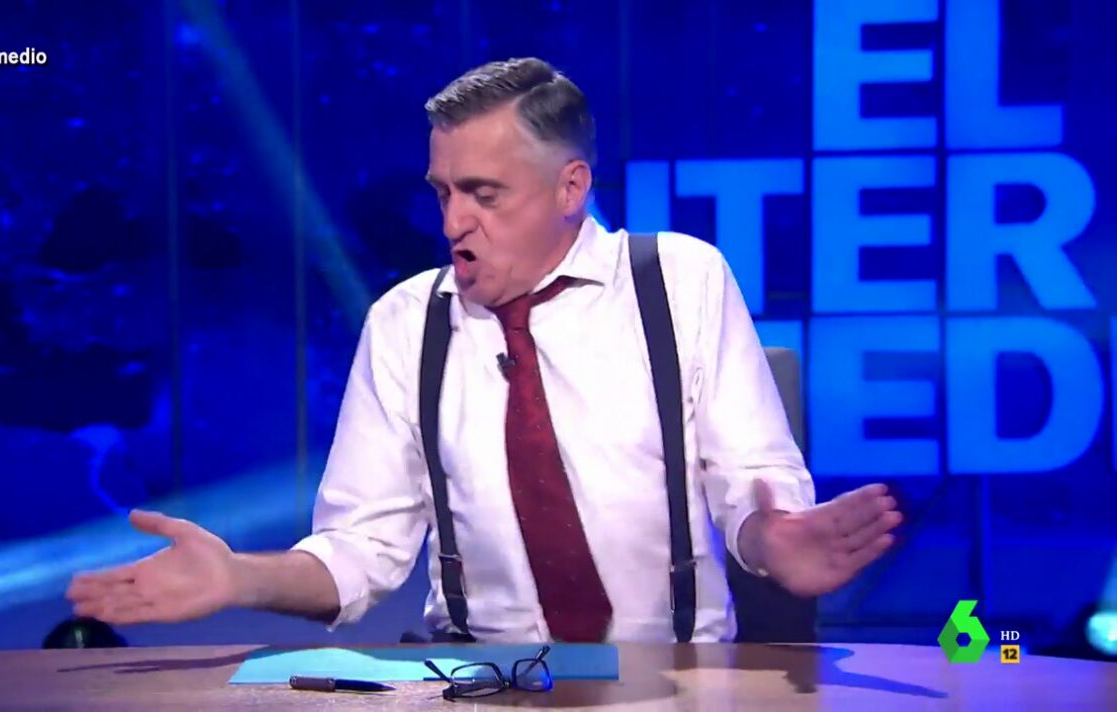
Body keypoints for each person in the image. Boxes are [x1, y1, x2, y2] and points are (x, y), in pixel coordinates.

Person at [67, 57, 903, 643]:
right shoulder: (405, 323)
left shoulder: (681, 281)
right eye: (442, 193)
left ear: (571, 187)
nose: (451, 222)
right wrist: (240, 579)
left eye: (483, 194)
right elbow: (360, 553)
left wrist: (773, 540)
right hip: (479, 685)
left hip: (676, 681)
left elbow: (753, 490)